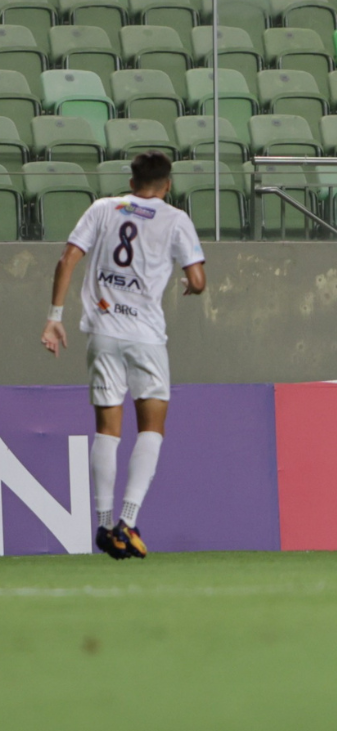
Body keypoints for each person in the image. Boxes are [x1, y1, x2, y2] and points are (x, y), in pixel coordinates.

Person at [39, 151, 207, 561]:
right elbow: (198, 279)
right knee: (151, 427)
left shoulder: (102, 208)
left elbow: (68, 259)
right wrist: (191, 284)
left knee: (107, 431)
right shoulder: (175, 219)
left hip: (102, 330)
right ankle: (127, 522)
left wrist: (54, 317)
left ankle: (103, 524)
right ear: (167, 185)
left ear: (132, 184)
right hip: (145, 337)